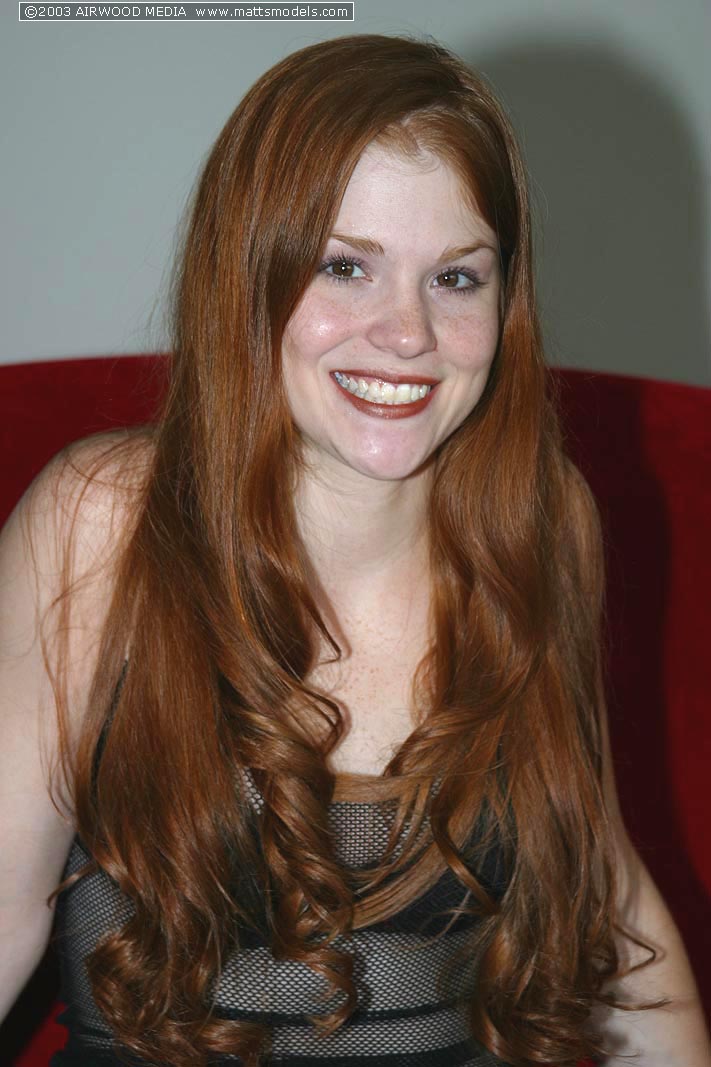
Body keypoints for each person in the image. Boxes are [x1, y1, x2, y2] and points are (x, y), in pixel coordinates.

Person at [1, 32, 709, 1067]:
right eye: (346, 266)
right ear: (248, 276)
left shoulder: (544, 520)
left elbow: (604, 897)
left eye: (456, 278)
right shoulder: (102, 521)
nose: (407, 331)